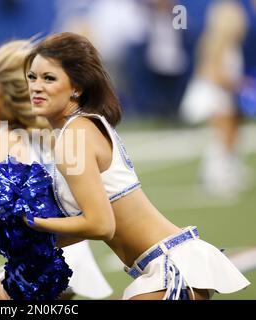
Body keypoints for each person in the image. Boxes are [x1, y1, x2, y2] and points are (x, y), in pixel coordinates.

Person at [23, 32, 250, 300]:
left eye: (49, 78)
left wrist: (32, 223)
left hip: (169, 266)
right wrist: (26, 244)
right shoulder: (79, 127)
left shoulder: (74, 136)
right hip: (165, 264)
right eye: (32, 77)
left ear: (76, 87)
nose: (36, 86)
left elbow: (100, 225)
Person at [0, 34, 113, 300]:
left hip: (49, 253)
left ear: (5, 104)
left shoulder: (3, 140)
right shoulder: (30, 134)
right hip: (65, 250)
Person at [180, 0, 252, 197]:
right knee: (222, 135)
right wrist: (241, 85)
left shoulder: (231, 46)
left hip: (222, 93)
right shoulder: (216, 43)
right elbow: (213, 73)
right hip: (211, 93)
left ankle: (229, 169)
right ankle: (216, 177)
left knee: (231, 132)